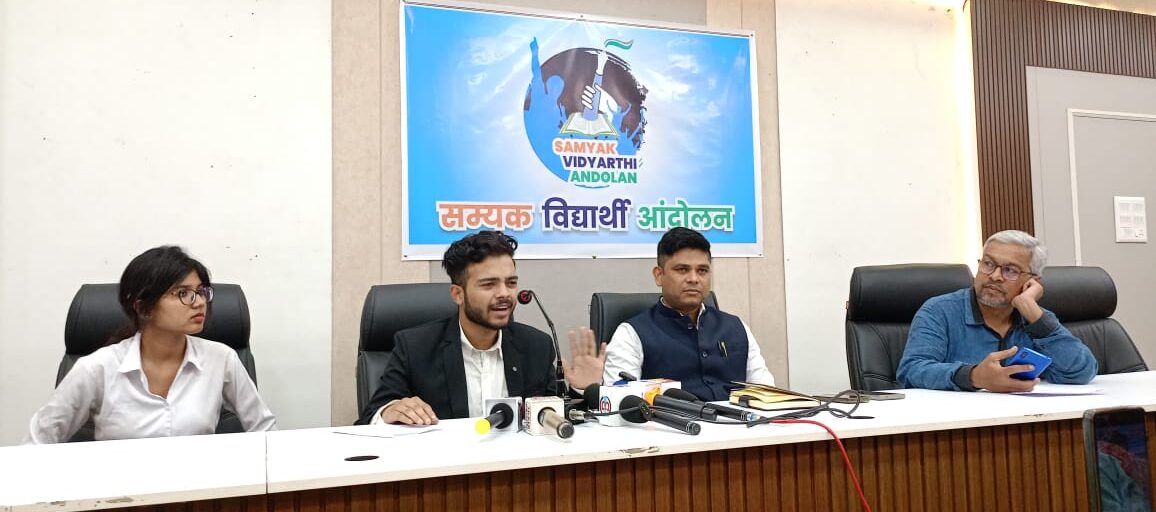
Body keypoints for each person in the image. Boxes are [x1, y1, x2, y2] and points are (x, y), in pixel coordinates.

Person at [25, 246, 276, 443]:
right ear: (143, 307)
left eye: (201, 291)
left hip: (198, 486)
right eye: (183, 293)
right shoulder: (97, 368)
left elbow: (265, 431)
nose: (200, 302)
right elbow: (37, 442)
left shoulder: (221, 359)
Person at [358, 230, 601, 425]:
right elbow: (370, 418)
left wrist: (581, 390)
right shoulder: (415, 347)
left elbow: (553, 418)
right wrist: (391, 410)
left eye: (511, 283)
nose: (504, 293)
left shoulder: (536, 346)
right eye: (489, 285)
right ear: (458, 294)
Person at [897, 230, 1097, 392]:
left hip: (1026, 419)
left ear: (1032, 281)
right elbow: (911, 371)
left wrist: (1037, 318)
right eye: (988, 264)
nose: (994, 276)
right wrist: (973, 376)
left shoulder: (1036, 318)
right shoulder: (939, 311)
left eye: (1010, 270)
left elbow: (1081, 372)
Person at [596, 227, 775, 401]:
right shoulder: (631, 334)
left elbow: (767, 395)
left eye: (702, 270)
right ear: (659, 275)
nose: (694, 279)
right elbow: (621, 404)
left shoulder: (736, 327)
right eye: (682, 269)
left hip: (740, 421)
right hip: (669, 422)